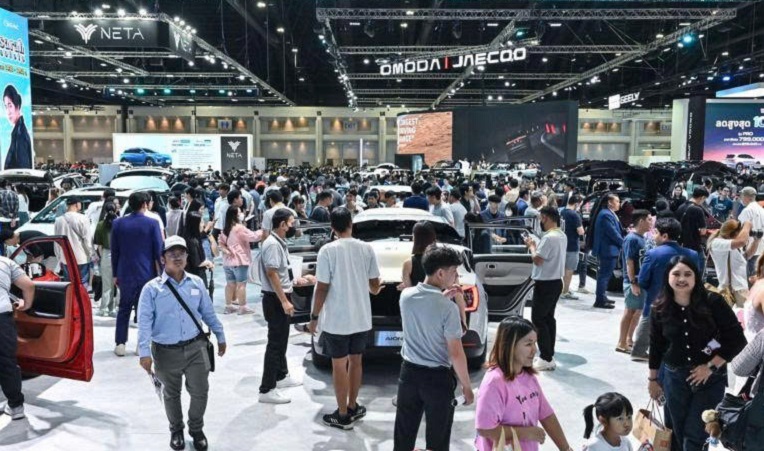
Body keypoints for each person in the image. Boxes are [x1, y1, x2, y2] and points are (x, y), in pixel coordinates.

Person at [137, 236, 227, 451]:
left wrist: (220, 334)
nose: (177, 258)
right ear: (163, 258)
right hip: (165, 351)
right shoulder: (151, 289)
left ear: (187, 257)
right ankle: (176, 429)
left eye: (181, 253)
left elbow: (208, 312)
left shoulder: (196, 283)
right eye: (172, 254)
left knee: (200, 391)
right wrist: (144, 352)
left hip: (196, 347)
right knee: (171, 393)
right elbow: (144, 323)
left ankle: (196, 429)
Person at [648, 255, 746, 451]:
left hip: (709, 380)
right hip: (674, 378)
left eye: (688, 274)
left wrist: (710, 367)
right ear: (668, 276)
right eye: (676, 274)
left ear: (696, 277)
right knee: (675, 432)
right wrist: (653, 379)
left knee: (696, 435)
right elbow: (656, 345)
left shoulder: (713, 302)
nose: (681, 279)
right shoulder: (659, 307)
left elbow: (736, 339)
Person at [393, 245, 474, 451]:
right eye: (454, 272)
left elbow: (427, 308)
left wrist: (443, 296)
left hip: (408, 375)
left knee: (403, 435)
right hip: (437, 380)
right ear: (440, 273)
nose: (456, 277)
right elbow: (456, 353)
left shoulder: (406, 297)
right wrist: (466, 386)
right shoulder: (449, 309)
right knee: (438, 439)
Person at [307, 207, 382, 429]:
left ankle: (342, 415)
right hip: (361, 318)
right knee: (356, 362)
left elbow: (322, 287)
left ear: (332, 227)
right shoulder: (366, 248)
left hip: (337, 320)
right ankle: (352, 406)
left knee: (339, 365)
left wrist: (314, 317)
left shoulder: (327, 251)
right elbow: (375, 285)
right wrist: (375, 289)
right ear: (351, 224)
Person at [475, 316, 571, 451]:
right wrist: (525, 433)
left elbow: (546, 414)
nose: (534, 350)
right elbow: (485, 429)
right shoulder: (494, 382)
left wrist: (566, 448)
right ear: (510, 346)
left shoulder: (529, 377)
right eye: (528, 344)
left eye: (535, 343)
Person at [630, 218, 701, 362]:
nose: (653, 236)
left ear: (664, 236)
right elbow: (697, 278)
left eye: (655, 232)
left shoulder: (653, 254)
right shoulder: (692, 255)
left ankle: (639, 351)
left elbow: (642, 280)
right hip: (683, 300)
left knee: (648, 322)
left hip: (655, 298)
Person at [258, 208, 311, 404]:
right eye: (291, 223)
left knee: (281, 341)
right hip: (275, 299)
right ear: (282, 225)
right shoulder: (272, 244)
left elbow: (280, 272)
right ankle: (266, 389)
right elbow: (271, 273)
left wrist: (295, 281)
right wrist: (284, 301)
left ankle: (281, 375)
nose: (293, 226)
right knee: (275, 343)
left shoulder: (278, 242)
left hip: (280, 295)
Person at [111, 192, 164, 357]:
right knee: (144, 310)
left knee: (123, 308)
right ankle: (141, 345)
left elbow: (115, 251)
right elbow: (159, 251)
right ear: (145, 204)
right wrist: (163, 272)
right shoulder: (153, 223)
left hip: (124, 272)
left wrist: (115, 273)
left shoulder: (118, 223)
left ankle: (120, 343)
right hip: (146, 273)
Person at [523, 206, 567, 371]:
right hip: (555, 282)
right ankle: (549, 354)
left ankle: (546, 358)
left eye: (541, 218)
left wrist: (531, 246)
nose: (540, 222)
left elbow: (538, 260)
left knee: (539, 320)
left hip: (545, 283)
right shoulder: (561, 235)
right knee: (548, 319)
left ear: (546, 218)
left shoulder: (549, 238)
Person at [0, 253, 35, 420]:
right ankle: (15, 406)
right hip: (2, 316)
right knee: (7, 362)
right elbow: (29, 286)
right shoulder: (5, 262)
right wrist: (26, 304)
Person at [617, 210, 651, 353]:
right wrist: (633, 283)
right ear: (641, 221)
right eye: (649, 219)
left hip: (641, 282)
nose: (651, 222)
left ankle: (628, 339)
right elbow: (629, 262)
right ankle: (621, 342)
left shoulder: (643, 238)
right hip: (633, 282)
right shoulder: (631, 239)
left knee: (637, 311)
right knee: (629, 311)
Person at [218, 206, 260, 315]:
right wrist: (262, 232)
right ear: (235, 215)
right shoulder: (239, 228)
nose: (242, 214)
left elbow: (221, 242)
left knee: (230, 284)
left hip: (227, 261)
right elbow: (253, 237)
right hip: (239, 260)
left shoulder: (225, 229)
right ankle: (243, 307)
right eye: (239, 212)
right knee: (241, 284)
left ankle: (228, 306)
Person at [708, 219, 753, 307]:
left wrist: (757, 240)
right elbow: (742, 241)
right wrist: (747, 225)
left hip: (740, 289)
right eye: (739, 233)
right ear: (730, 234)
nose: (740, 236)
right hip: (733, 290)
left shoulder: (730, 245)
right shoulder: (716, 242)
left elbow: (747, 255)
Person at [592, 193, 623, 309]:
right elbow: (613, 233)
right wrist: (624, 243)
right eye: (617, 201)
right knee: (604, 276)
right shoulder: (606, 214)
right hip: (607, 250)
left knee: (605, 275)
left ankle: (602, 297)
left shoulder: (608, 213)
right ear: (610, 202)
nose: (619, 204)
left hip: (609, 249)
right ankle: (600, 300)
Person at [54, 196, 92, 287]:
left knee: (69, 283)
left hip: (66, 257)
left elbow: (57, 241)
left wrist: (59, 256)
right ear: (77, 204)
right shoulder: (83, 218)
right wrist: (92, 254)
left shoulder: (58, 220)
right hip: (81, 257)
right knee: (82, 283)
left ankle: (71, 297)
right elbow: (87, 239)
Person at [93, 202, 119, 317]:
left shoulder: (100, 225)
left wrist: (100, 256)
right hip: (119, 254)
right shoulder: (120, 223)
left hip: (106, 253)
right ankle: (114, 308)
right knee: (118, 284)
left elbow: (99, 245)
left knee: (107, 284)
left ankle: (104, 309)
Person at [398, 221, 437, 291]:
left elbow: (409, 292)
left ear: (414, 238)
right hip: (441, 298)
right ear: (433, 237)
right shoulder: (444, 261)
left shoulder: (408, 264)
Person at [3, 85, 32, 170]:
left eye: (10, 105)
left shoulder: (20, 134)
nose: (8, 112)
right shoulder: (17, 132)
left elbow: (23, 171)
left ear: (17, 106)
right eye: (6, 106)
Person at [560, 194, 584, 300]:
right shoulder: (575, 215)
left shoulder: (562, 212)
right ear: (577, 204)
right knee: (569, 270)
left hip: (563, 244)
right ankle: (565, 292)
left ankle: (564, 288)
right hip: (572, 245)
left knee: (564, 269)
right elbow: (580, 231)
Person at [737, 186, 764, 278]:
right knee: (758, 278)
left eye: (742, 195)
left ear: (748, 197)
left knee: (749, 279)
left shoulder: (747, 210)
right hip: (761, 248)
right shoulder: (761, 209)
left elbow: (743, 231)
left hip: (750, 249)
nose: (741, 198)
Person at [676, 187, 709, 255]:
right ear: (702, 197)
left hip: (680, 244)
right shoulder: (698, 210)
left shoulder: (681, 207)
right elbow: (703, 231)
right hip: (694, 245)